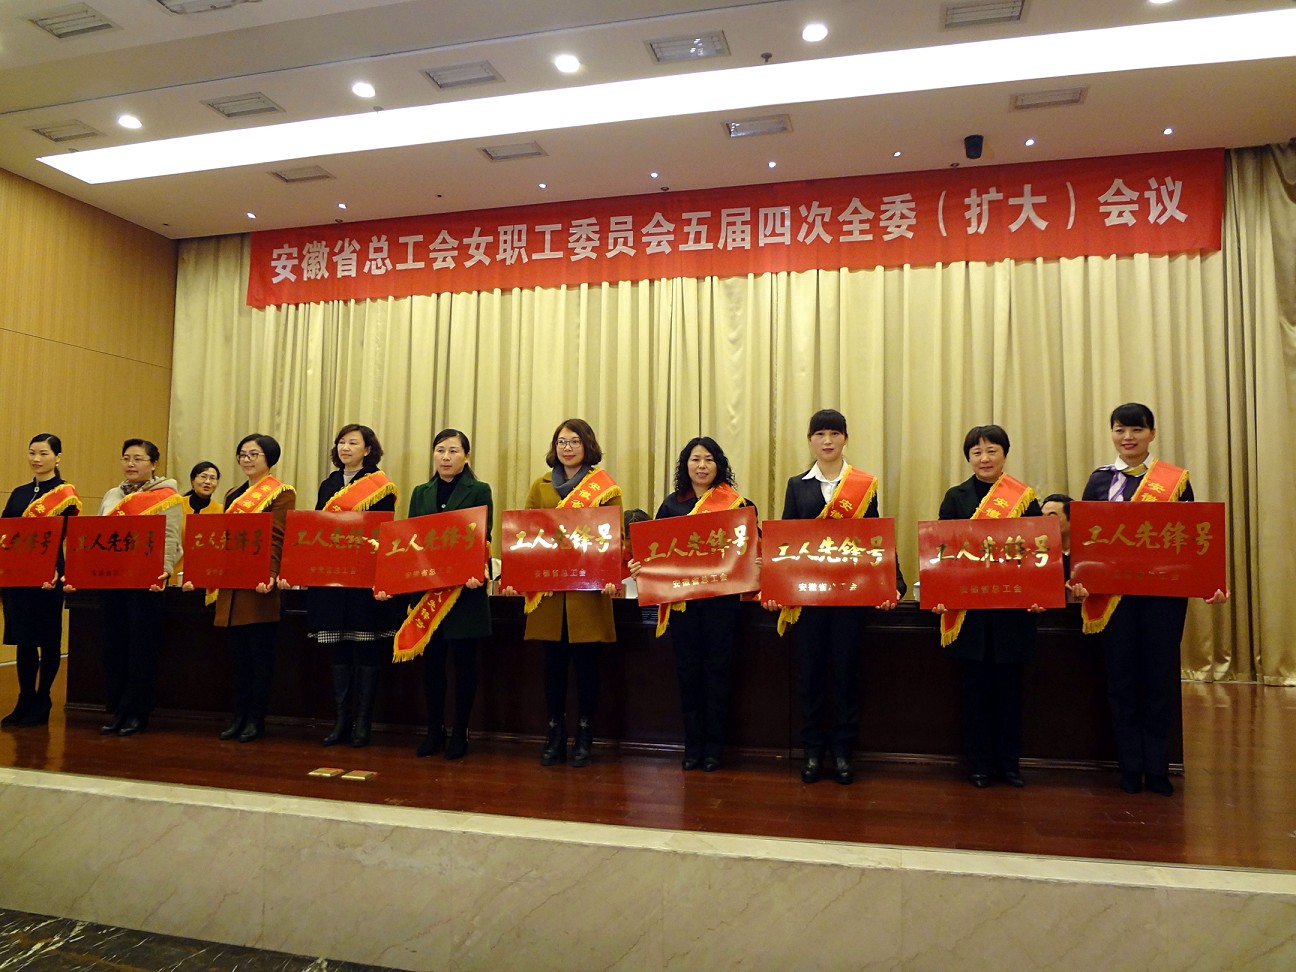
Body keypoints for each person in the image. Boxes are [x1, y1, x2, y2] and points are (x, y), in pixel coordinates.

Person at [1075, 403, 1228, 796]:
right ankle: (1130, 767)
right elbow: (1086, 541)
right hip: (1115, 601)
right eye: (1120, 429)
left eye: (1137, 430)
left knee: (1158, 682)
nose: (1128, 437)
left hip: (1163, 598)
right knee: (1122, 681)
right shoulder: (1099, 482)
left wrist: (1210, 582)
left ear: (1152, 434)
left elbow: (1192, 538)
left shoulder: (1175, 482)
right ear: (1112, 433)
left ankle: (1157, 768)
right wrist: (1080, 581)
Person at [764, 409, 904, 785]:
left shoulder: (863, 485)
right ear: (810, 440)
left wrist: (893, 582)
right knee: (809, 676)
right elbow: (785, 541)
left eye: (834, 433)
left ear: (845, 438)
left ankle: (843, 752)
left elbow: (875, 539)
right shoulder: (797, 485)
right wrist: (774, 588)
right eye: (820, 434)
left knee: (845, 675)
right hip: (809, 601)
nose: (827, 441)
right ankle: (812, 751)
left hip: (849, 600)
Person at [930, 425, 1045, 788]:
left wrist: (1041, 593)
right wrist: (939, 593)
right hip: (971, 617)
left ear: (1005, 454)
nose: (984, 458)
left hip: (1012, 616)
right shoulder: (955, 498)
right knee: (975, 695)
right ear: (968, 458)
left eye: (992, 450)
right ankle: (978, 765)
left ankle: (1009, 765)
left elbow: (1039, 554)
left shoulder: (1024, 499)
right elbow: (942, 553)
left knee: (1010, 695)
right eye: (976, 452)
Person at [630, 437, 754, 772]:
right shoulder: (671, 506)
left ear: (719, 465)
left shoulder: (737, 504)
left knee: (717, 673)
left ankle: (714, 749)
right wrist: (640, 566)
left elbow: (751, 552)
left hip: (721, 606)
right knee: (688, 674)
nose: (702, 466)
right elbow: (654, 553)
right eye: (695, 459)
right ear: (685, 465)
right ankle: (693, 745)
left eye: (709, 459)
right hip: (683, 607)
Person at [505, 418, 621, 768]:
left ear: (588, 445)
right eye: (561, 442)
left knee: (587, 669)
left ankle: (585, 733)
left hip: (587, 592)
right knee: (552, 668)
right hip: (549, 594)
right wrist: (515, 573)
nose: (567, 448)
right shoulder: (540, 486)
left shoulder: (605, 488)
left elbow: (613, 538)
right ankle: (554, 732)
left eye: (574, 441)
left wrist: (612, 574)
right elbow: (525, 534)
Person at [392, 428, 493, 760]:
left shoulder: (479, 490)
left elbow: (483, 536)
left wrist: (477, 568)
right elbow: (411, 540)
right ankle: (434, 730)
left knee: (464, 667)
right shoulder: (420, 492)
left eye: (453, 451)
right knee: (432, 668)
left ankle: (461, 731)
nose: (445, 457)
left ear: (466, 456)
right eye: (440, 450)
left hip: (464, 593)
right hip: (427, 593)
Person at [304, 424, 399, 748]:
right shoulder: (329, 484)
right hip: (333, 580)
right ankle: (342, 721)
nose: (345, 448)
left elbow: (381, 532)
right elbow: (318, 528)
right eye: (341, 442)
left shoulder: (380, 486)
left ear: (368, 449)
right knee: (340, 649)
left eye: (353, 443)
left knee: (366, 649)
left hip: (364, 581)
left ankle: (363, 723)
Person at [200, 433, 295, 742]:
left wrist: (271, 572)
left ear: (269, 458)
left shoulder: (281, 493)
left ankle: (256, 719)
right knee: (238, 658)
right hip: (232, 584)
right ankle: (238, 716)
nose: (247, 459)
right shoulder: (233, 494)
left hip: (259, 585)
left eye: (254, 454)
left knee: (259, 657)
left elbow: (278, 536)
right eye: (243, 454)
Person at [92, 438, 184, 736]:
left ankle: (137, 712)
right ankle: (117, 709)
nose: (131, 464)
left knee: (140, 649)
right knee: (114, 646)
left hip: (146, 585)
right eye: (126, 458)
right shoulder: (112, 495)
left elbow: (170, 538)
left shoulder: (167, 496)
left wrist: (163, 571)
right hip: (112, 582)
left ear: (154, 464)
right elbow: (98, 536)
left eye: (138, 459)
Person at [1, 434, 81, 729]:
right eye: (32, 452)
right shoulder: (19, 493)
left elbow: (70, 538)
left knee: (47, 639)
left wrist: (59, 570)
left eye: (43, 453)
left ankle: (43, 699)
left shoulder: (66, 494)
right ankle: (24, 698)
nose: (36, 459)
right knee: (23, 639)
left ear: (57, 457)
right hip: (17, 575)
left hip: (49, 575)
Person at [172, 461, 222, 585]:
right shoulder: (176, 505)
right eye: (203, 477)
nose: (208, 482)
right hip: (176, 574)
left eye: (213, 478)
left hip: (207, 576)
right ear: (192, 480)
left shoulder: (221, 510)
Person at [1040, 492, 1073, 581]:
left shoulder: (1086, 554)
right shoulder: (1037, 554)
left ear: (1071, 518)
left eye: (1052, 516)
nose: (1044, 521)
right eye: (1042, 516)